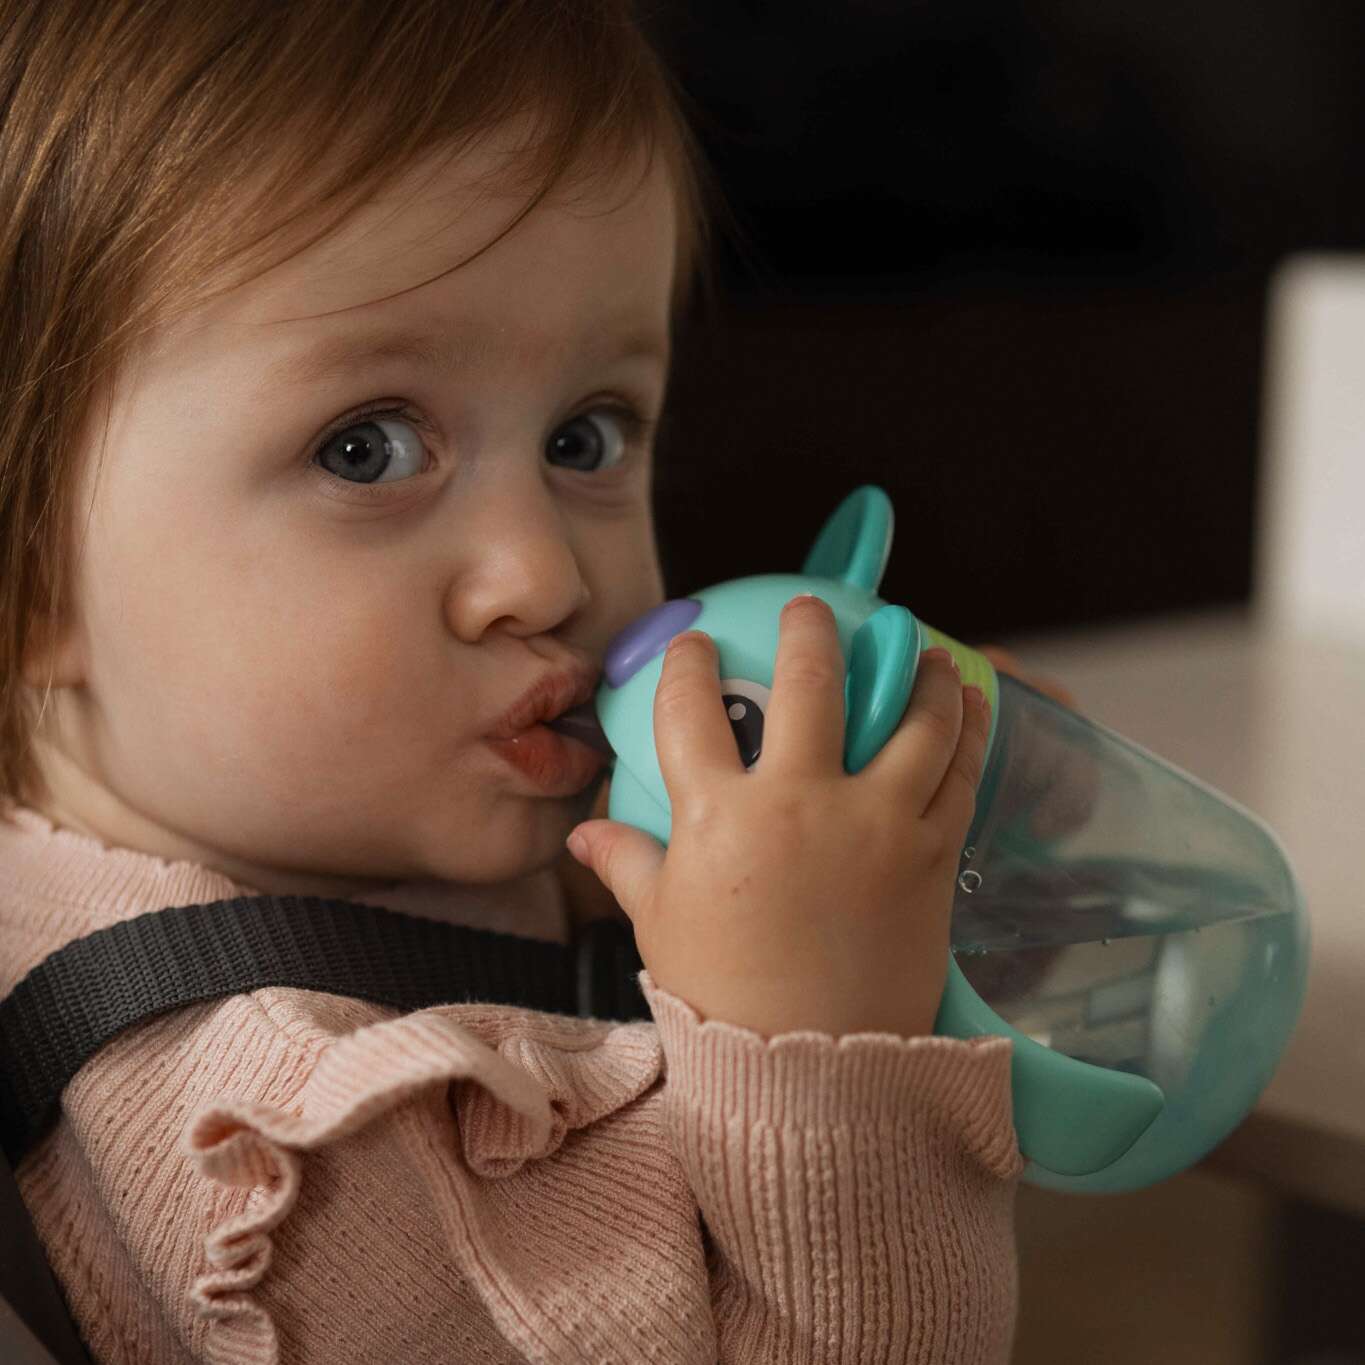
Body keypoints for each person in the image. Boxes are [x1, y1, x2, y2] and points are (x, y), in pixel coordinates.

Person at [0, 2, 1076, 1360]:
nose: (544, 574)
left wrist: (886, 848)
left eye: (585, 437)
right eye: (366, 450)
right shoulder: (323, 1145)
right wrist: (826, 1053)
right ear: (29, 580)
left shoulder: (293, 818)